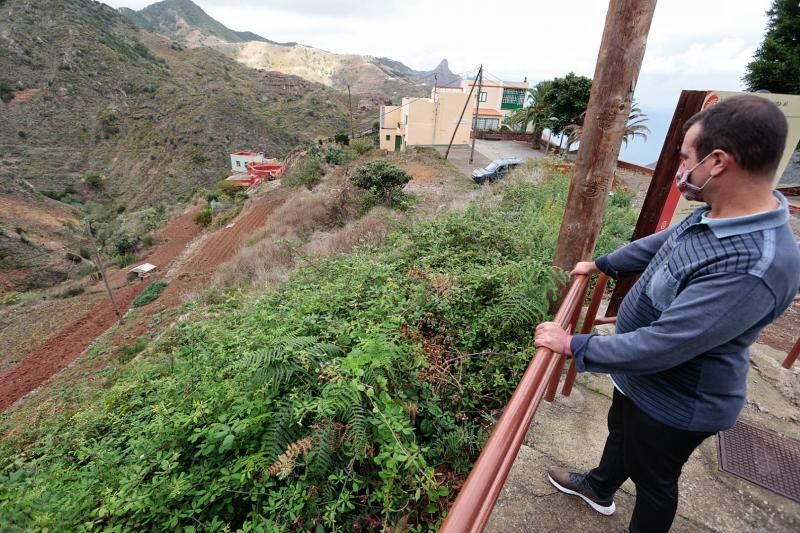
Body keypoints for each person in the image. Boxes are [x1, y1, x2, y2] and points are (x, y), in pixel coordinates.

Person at [533, 94, 800, 533]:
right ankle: (600, 487)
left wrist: (573, 344)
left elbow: (666, 344)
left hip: (677, 401)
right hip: (642, 379)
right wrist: (605, 263)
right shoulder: (718, 214)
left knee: (654, 479)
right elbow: (664, 242)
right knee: (620, 430)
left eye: (685, 157)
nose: (680, 167)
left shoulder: (756, 265)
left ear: (716, 162)